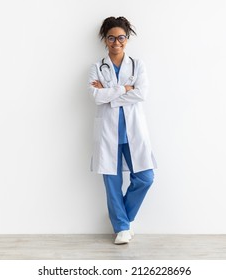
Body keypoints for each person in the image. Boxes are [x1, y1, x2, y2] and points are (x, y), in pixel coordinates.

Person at [88, 16, 157, 245]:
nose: (116, 42)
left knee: (146, 177)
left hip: (133, 132)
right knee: (112, 183)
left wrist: (111, 94)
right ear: (104, 39)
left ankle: (124, 220)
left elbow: (142, 94)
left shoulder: (138, 65)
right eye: (111, 38)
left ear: (127, 39)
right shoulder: (97, 67)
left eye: (121, 38)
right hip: (108, 133)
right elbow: (96, 97)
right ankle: (121, 229)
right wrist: (124, 88)